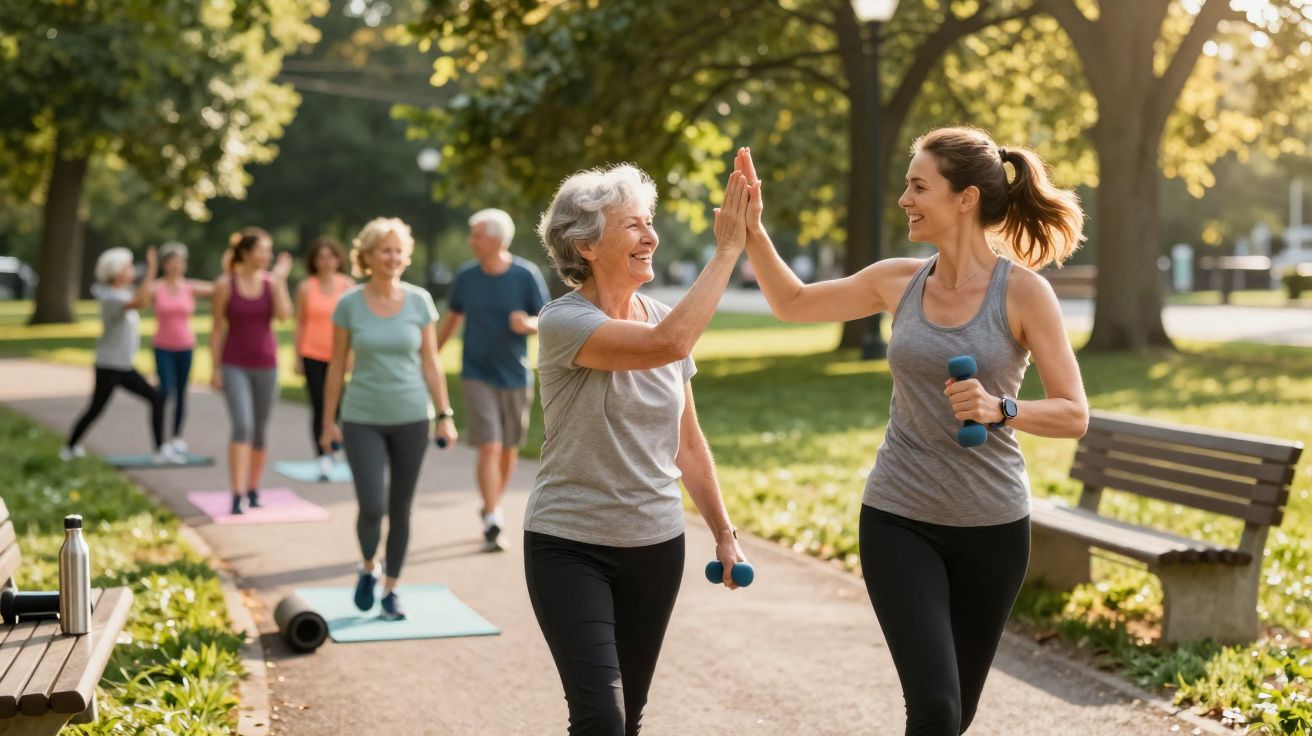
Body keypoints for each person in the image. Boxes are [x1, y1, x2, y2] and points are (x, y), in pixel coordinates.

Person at [737, 131, 1089, 734]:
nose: (904, 198)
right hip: (899, 518)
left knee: (955, 716)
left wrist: (1000, 408)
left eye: (918, 186)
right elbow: (792, 302)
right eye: (906, 184)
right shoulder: (896, 281)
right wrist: (753, 231)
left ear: (966, 198)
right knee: (934, 706)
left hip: (992, 528)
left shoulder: (1023, 292)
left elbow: (1074, 412)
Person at [525, 162, 751, 734]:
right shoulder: (564, 323)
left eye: (650, 222)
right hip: (569, 544)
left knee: (629, 720)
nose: (651, 236)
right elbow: (668, 343)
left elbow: (689, 444)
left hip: (655, 546)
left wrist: (725, 534)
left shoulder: (658, 316)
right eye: (633, 225)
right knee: (601, 717)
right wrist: (727, 251)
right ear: (586, 245)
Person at [320, 217, 458, 621]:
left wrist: (446, 415)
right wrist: (328, 421)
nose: (394, 257)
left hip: (413, 416)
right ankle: (368, 566)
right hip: (362, 416)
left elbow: (432, 363)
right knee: (371, 505)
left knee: (401, 507)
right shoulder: (349, 304)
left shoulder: (419, 302)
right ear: (367, 256)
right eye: (385, 250)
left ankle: (392, 589)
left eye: (399, 250)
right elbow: (335, 368)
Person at [436, 208, 550, 551]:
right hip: (476, 373)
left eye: (476, 235)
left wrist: (527, 324)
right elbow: (452, 319)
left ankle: (490, 506)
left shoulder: (525, 275)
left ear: (496, 239)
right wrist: (430, 355)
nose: (471, 241)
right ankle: (492, 517)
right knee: (489, 444)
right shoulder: (467, 277)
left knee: (508, 447)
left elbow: (547, 319)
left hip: (515, 374)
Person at [62, 247, 177, 463]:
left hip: (121, 364)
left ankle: (161, 448)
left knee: (156, 398)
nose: (132, 270)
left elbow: (142, 297)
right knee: (98, 408)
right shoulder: (111, 297)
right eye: (128, 267)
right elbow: (141, 302)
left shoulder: (121, 294)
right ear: (116, 271)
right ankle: (69, 447)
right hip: (110, 365)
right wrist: (152, 270)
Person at [210, 228, 293, 515]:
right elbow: (217, 328)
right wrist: (215, 369)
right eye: (262, 249)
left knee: (259, 431)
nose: (267, 255)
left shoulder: (271, 283)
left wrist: (280, 279)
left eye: (269, 251)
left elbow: (284, 316)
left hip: (266, 364)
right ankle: (236, 494)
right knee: (242, 425)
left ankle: (253, 489)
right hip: (234, 364)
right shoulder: (225, 284)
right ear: (245, 252)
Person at [293, 236, 354, 479]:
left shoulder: (347, 286)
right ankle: (323, 455)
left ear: (338, 260)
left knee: (340, 405)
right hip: (312, 353)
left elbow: (353, 325)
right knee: (319, 405)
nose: (326, 261)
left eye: (331, 256)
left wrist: (351, 354)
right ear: (314, 261)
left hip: (338, 355)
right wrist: (297, 357)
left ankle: (338, 447)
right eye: (321, 257)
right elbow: (299, 324)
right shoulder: (306, 287)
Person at [147, 241, 216, 455]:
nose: (176, 265)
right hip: (162, 347)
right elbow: (140, 296)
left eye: (180, 261)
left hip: (186, 346)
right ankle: (161, 439)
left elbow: (219, 288)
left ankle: (176, 436)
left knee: (181, 393)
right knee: (165, 391)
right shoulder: (156, 287)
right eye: (172, 261)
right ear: (165, 264)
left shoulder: (189, 287)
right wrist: (150, 270)